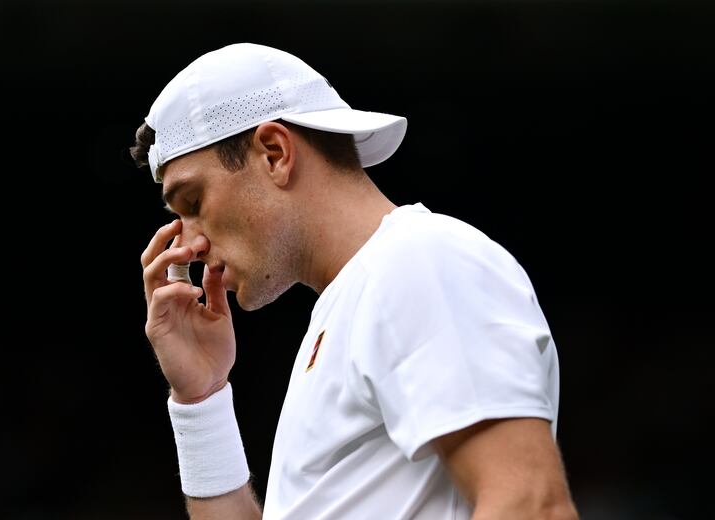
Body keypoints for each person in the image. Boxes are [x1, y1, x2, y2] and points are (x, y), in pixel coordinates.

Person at [133, 42, 578, 519]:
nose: (190, 245)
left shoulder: (419, 261)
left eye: (193, 201)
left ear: (275, 152)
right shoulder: (358, 297)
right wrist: (201, 400)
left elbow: (533, 505)